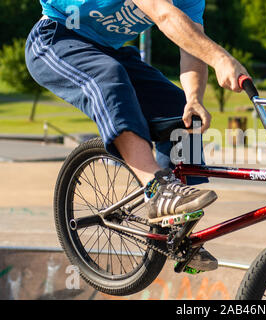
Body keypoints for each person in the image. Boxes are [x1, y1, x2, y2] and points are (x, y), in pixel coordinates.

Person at [25, 0, 250, 272]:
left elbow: (192, 47)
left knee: (181, 113)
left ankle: (176, 230)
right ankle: (157, 188)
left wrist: (193, 98)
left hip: (109, 51)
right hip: (56, 38)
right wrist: (221, 58)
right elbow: (162, 13)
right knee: (108, 77)